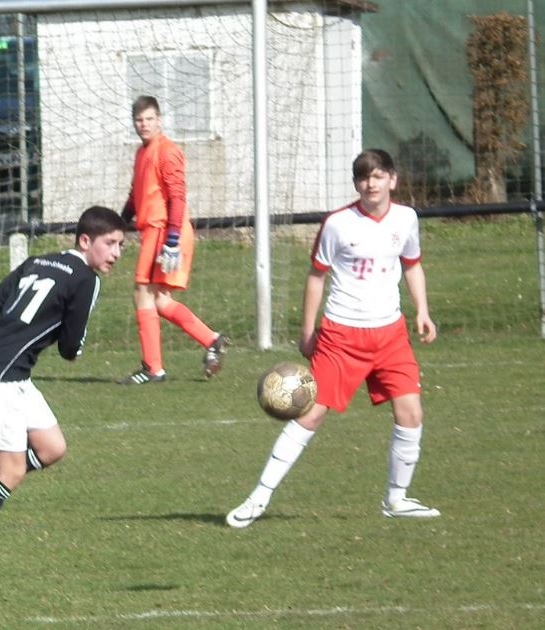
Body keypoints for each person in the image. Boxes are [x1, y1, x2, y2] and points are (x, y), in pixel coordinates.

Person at [226, 148, 440, 529]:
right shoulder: (338, 224)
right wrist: (308, 331)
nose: (371, 184)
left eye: (378, 176)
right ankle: (257, 498)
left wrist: (422, 310)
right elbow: (316, 276)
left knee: (411, 413)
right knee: (310, 413)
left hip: (391, 334)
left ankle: (397, 499)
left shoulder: (406, 219)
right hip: (341, 335)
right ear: (356, 184)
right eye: (363, 177)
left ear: (392, 180)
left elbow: (412, 265)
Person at [0, 205, 126, 583]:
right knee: (12, 470)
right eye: (110, 243)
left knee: (51, 448)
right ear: (86, 241)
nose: (116, 253)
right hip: (0, 374)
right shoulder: (86, 279)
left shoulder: (39, 261)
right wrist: (75, 348)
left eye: (121, 245)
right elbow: (70, 349)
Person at [119, 95, 228, 385]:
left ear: (159, 120)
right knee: (158, 299)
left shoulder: (168, 151)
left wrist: (172, 239)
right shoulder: (141, 153)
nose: (144, 124)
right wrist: (119, 224)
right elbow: (135, 195)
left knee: (142, 293)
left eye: (149, 119)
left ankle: (153, 369)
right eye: (139, 120)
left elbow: (177, 197)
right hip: (154, 231)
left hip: (165, 230)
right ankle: (212, 339)